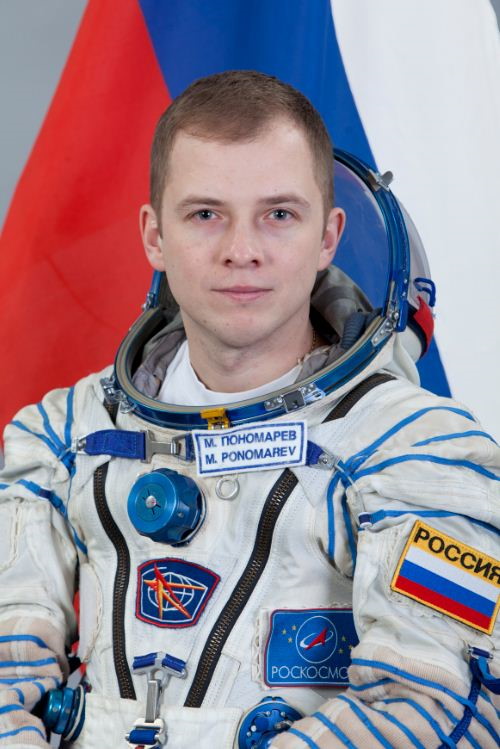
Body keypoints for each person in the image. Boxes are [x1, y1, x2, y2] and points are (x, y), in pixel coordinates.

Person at [0, 70, 498, 749]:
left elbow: (433, 706)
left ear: (328, 237)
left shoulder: (416, 453)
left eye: (279, 214)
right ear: (154, 235)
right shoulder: (64, 439)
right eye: (206, 214)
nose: (242, 251)